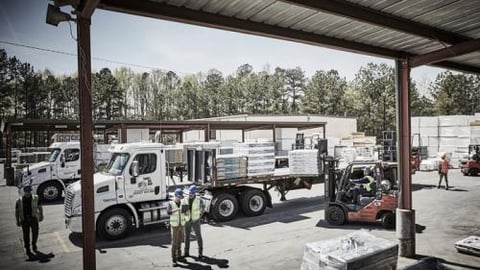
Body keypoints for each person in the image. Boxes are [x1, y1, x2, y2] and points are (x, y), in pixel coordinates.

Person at [15, 185, 43, 255]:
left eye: (29, 191)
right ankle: (27, 247)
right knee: (26, 234)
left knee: (35, 233)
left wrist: (41, 215)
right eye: (26, 192)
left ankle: (34, 245)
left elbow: (40, 207)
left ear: (31, 191)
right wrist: (17, 221)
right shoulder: (19, 201)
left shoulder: (36, 198)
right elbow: (17, 212)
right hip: (24, 220)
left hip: (33, 218)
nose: (28, 193)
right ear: (24, 192)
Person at [167, 188, 188, 267]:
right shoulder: (171, 203)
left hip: (181, 225)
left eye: (180, 197)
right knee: (174, 243)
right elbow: (168, 212)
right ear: (175, 196)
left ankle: (179, 256)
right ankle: (174, 260)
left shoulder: (182, 202)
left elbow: (185, 214)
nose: (179, 198)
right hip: (174, 226)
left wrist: (186, 212)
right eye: (178, 197)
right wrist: (177, 209)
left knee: (179, 241)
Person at [184, 185, 205, 260]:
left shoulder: (199, 200)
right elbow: (182, 210)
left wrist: (200, 216)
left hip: (196, 220)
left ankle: (200, 253)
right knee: (186, 237)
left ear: (195, 193)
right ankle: (186, 253)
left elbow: (203, 208)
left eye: (192, 193)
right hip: (187, 221)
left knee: (198, 237)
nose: (190, 194)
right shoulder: (185, 199)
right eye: (190, 193)